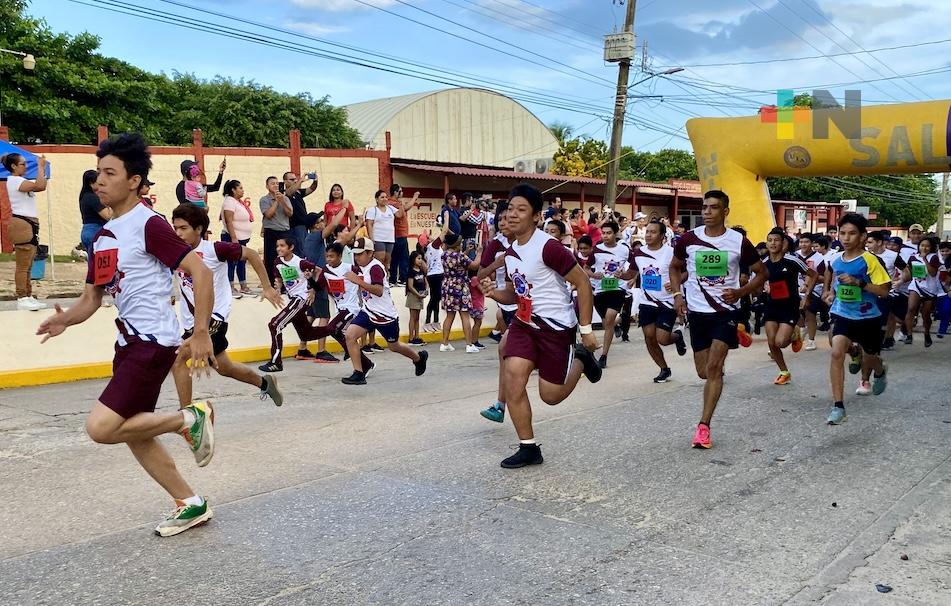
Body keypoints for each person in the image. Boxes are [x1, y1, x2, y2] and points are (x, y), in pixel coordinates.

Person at [37, 133, 217, 537]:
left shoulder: (148, 223)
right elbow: (91, 299)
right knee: (134, 430)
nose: (98, 181)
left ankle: (189, 418)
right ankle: (190, 503)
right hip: (128, 342)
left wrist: (201, 331)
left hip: (152, 341)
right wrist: (66, 320)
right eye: (98, 173)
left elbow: (200, 271)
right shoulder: (104, 237)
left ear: (134, 180)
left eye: (109, 173)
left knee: (101, 428)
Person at [479, 184, 601, 468]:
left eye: (521, 210)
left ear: (536, 217)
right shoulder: (509, 252)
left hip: (555, 327)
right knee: (513, 375)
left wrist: (585, 329)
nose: (513, 215)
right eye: (510, 208)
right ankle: (528, 447)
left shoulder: (549, 247)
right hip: (524, 323)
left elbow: (582, 283)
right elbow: (515, 293)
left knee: (551, 396)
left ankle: (581, 359)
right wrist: (493, 293)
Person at [669, 190, 767, 449]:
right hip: (698, 312)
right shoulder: (689, 239)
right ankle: (720, 361)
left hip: (726, 312)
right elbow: (674, 266)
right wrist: (678, 295)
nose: (707, 212)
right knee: (704, 372)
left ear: (725, 212)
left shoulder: (739, 242)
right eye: (705, 207)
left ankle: (703, 427)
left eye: (714, 208)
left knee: (713, 369)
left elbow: (761, 273)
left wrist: (740, 292)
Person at [168, 203, 285, 408]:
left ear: (199, 229)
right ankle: (265, 383)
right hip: (191, 321)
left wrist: (266, 287)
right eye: (175, 228)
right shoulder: (175, 252)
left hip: (214, 318)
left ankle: (187, 418)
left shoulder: (215, 249)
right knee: (224, 367)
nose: (178, 233)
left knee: (177, 360)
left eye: (183, 228)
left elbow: (251, 254)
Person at [822, 213, 891, 425]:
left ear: (862, 236)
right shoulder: (836, 259)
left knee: (870, 357)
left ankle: (879, 370)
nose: (846, 238)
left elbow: (884, 291)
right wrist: (831, 293)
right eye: (842, 233)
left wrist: (859, 283)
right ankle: (838, 407)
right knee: (836, 352)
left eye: (852, 233)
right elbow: (836, 282)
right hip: (843, 313)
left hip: (868, 318)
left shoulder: (870, 260)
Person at [340, 237, 429, 385]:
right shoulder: (360, 267)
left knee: (394, 346)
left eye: (360, 254)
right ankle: (359, 373)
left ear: (370, 253)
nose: (357, 257)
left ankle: (418, 358)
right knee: (350, 335)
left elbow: (379, 290)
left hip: (385, 315)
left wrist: (358, 281)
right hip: (368, 312)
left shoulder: (375, 268)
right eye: (355, 254)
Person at [258, 236, 344, 373]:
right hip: (293, 299)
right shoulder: (277, 262)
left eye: (282, 246)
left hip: (302, 299)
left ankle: (276, 362)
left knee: (275, 324)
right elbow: (279, 279)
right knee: (306, 334)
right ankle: (334, 329)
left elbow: (320, 271)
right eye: (277, 246)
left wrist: (313, 289)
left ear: (291, 248)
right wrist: (277, 288)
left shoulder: (300, 262)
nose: (278, 249)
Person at [622, 220, 687, 383]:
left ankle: (677, 337)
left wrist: (675, 283)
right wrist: (621, 275)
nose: (649, 235)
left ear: (662, 235)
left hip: (666, 302)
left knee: (663, 339)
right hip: (647, 302)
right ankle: (664, 369)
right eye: (647, 232)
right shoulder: (638, 253)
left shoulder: (672, 252)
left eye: (653, 232)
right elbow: (631, 272)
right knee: (649, 337)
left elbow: (686, 273)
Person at [762, 229, 817, 385]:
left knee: (780, 342)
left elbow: (813, 275)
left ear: (783, 243)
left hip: (789, 306)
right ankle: (784, 372)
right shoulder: (764, 264)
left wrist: (806, 296)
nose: (773, 243)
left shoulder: (792, 260)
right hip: (771, 305)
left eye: (776, 240)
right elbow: (758, 282)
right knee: (771, 343)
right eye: (770, 240)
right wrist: (764, 285)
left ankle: (794, 334)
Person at [478, 199, 515, 422]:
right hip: (507, 302)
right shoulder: (495, 245)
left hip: (532, 306)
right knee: (506, 353)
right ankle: (501, 405)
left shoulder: (530, 243)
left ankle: (574, 361)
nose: (503, 222)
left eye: (507, 218)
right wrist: (496, 264)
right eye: (499, 218)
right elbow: (480, 274)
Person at [3, 152, 49, 311]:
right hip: (22, 224)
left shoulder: (20, 181)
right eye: (22, 164)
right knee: (23, 264)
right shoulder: (15, 181)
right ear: (13, 166)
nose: (25, 166)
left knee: (29, 262)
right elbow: (40, 186)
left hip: (28, 223)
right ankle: (21, 296)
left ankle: (28, 295)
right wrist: (41, 167)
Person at [584, 221, 629, 368]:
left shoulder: (624, 249)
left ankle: (603, 356)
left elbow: (635, 267)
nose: (605, 236)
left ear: (615, 233)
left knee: (609, 319)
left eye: (608, 233)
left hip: (617, 289)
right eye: (603, 233)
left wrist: (628, 276)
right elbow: (586, 268)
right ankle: (621, 320)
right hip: (600, 291)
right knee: (607, 323)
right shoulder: (596, 249)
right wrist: (593, 274)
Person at [300, 211, 338, 363]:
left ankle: (302, 348)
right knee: (324, 316)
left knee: (312, 315)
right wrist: (344, 207)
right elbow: (334, 225)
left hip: (311, 281)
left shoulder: (308, 238)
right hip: (317, 281)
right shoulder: (316, 236)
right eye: (321, 220)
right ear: (316, 226)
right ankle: (321, 351)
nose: (324, 222)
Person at [439, 234, 479, 353]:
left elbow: (457, 260)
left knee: (449, 315)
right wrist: (480, 253)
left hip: (448, 285)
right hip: (460, 285)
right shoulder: (461, 256)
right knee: (464, 314)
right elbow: (474, 265)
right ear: (457, 244)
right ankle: (469, 344)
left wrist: (466, 251)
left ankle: (444, 343)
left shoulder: (444, 255)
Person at [903, 235, 942, 348]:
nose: (924, 248)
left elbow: (933, 273)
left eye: (927, 246)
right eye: (922, 245)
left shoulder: (933, 257)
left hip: (929, 288)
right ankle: (909, 335)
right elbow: (909, 272)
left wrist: (924, 259)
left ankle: (927, 333)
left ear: (931, 247)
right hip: (916, 285)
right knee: (911, 308)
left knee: (925, 314)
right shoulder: (913, 257)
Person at [219, 180, 255, 296]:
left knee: (241, 261)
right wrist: (234, 238)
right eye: (240, 188)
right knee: (231, 262)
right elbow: (229, 221)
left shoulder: (238, 202)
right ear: (233, 190)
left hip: (241, 238)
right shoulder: (229, 202)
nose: (242, 190)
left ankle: (243, 286)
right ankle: (230, 286)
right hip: (232, 237)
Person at [260, 176, 293, 284]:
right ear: (267, 186)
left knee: (285, 257)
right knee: (270, 258)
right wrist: (276, 201)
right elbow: (268, 214)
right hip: (271, 231)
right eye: (272, 183)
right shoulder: (264, 200)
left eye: (276, 183)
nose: (275, 185)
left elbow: (290, 213)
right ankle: (271, 283)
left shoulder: (285, 198)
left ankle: (286, 283)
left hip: (284, 231)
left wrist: (282, 201)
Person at [388, 184, 419, 285]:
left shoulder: (395, 203)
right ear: (396, 192)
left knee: (396, 258)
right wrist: (414, 197)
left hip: (398, 234)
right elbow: (406, 208)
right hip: (399, 234)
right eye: (400, 191)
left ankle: (393, 279)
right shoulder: (393, 203)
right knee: (403, 257)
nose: (402, 193)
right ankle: (402, 278)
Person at [365, 189, 402, 273]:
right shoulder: (372, 210)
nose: (385, 199)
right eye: (382, 197)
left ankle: (385, 279)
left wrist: (400, 203)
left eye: (386, 197)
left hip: (390, 238)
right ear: (377, 199)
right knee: (380, 259)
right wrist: (372, 238)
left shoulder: (390, 208)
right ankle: (378, 278)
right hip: (378, 238)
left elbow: (400, 215)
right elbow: (369, 224)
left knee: (387, 260)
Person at [284, 170, 319, 254]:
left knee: (303, 248)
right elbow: (289, 192)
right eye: (291, 180)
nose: (295, 181)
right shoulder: (284, 192)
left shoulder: (298, 192)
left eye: (295, 179)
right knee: (298, 250)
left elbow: (311, 188)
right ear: (285, 181)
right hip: (293, 226)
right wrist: (301, 181)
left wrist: (315, 180)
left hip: (302, 225)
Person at [79, 168, 111, 254]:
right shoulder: (92, 198)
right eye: (98, 181)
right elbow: (108, 216)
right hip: (95, 230)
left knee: (92, 262)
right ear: (91, 184)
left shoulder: (85, 196)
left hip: (87, 230)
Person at [406, 251, 428, 346]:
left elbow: (425, 281)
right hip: (413, 296)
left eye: (421, 259)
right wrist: (418, 294)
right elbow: (410, 286)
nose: (420, 261)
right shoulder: (411, 271)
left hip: (420, 295)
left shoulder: (421, 271)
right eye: (418, 258)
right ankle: (411, 338)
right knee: (413, 317)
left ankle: (417, 336)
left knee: (417, 318)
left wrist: (426, 290)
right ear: (413, 260)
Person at [424, 233, 444, 332]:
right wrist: (446, 217)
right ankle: (427, 321)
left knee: (436, 299)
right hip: (436, 275)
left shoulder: (430, 249)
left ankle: (436, 320)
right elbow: (443, 233)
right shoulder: (433, 246)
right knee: (434, 299)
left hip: (434, 275)